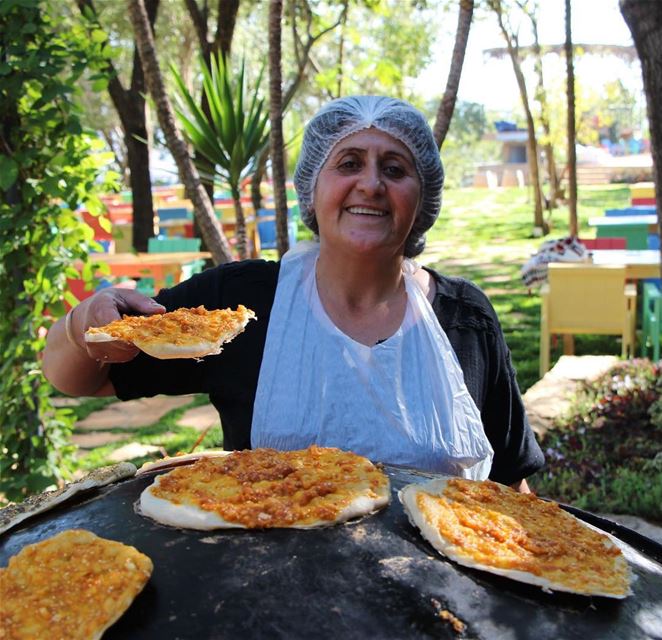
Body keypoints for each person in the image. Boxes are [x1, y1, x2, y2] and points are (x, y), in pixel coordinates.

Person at [43, 95, 544, 491]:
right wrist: (82, 322)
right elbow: (79, 379)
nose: (370, 184)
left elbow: (508, 485)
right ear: (313, 187)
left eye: (394, 169)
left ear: (423, 196)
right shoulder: (239, 305)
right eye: (349, 163)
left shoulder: (466, 318)